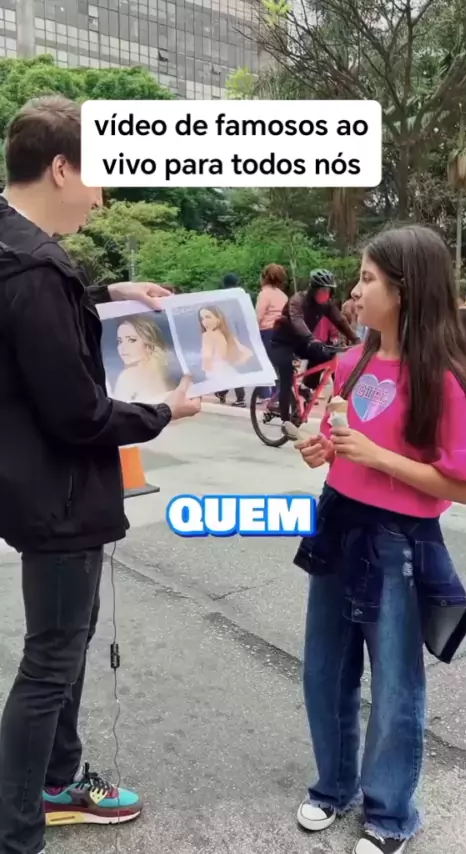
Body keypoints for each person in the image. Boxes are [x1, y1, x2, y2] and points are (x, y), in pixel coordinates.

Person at [0, 95, 201, 854]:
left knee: (65, 646)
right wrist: (163, 412)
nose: (103, 197)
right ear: (61, 168)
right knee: (51, 661)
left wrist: (106, 295)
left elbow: (39, 325)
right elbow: (80, 415)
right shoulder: (35, 267)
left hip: (31, 485)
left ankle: (58, 781)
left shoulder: (18, 252)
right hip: (60, 495)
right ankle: (19, 829)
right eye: (100, 176)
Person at [295, 225, 466, 854]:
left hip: (399, 540)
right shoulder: (352, 362)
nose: (355, 291)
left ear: (404, 290)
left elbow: (465, 487)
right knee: (325, 669)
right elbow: (337, 441)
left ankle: (391, 813)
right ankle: (333, 786)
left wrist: (378, 458)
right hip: (337, 520)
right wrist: (322, 449)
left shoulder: (445, 377)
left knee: (396, 684)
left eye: (368, 278)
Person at [270, 269, 358, 439]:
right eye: (321, 290)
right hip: (282, 342)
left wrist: (356, 340)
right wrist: (311, 338)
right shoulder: (298, 300)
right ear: (313, 289)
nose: (325, 294)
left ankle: (305, 388)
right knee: (286, 374)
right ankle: (285, 421)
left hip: (302, 341)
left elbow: (340, 321)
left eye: (328, 291)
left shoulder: (327, 305)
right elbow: (297, 320)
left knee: (325, 355)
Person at [113, 315, 173, 404]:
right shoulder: (126, 377)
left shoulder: (163, 369)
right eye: (120, 341)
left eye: (132, 340)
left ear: (149, 344)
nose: (122, 347)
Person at [255, 263, 288, 399]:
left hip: (267, 332)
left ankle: (264, 394)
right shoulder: (283, 296)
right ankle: (277, 395)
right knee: (276, 365)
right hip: (282, 332)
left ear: (264, 277)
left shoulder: (264, 294)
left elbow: (258, 316)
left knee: (262, 364)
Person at [215, 273, 246, 407]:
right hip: (237, 336)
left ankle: (227, 393)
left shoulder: (221, 299)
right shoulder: (239, 298)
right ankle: (225, 392)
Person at [199, 305, 253, 381]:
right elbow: (248, 353)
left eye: (208, 317)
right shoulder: (227, 335)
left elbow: (207, 357)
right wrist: (234, 363)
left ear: (218, 319)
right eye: (202, 319)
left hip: (216, 375)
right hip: (229, 372)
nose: (205, 322)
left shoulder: (207, 335)